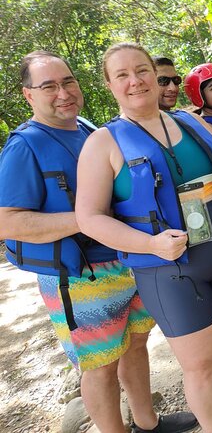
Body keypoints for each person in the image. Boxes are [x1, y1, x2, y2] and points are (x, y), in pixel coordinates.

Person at [75, 42, 212, 433]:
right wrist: (150, 245)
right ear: (109, 84)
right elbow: (88, 218)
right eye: (122, 75)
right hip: (168, 268)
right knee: (201, 363)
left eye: (141, 70)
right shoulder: (103, 143)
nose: (135, 81)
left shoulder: (192, 123)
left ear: (154, 77)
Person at [0, 51, 197, 433]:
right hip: (80, 277)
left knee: (137, 345)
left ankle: (147, 422)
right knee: (99, 366)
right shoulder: (24, 146)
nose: (63, 93)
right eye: (49, 86)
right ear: (29, 95)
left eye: (68, 81)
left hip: (130, 258)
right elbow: (6, 222)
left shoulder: (92, 130)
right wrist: (90, 218)